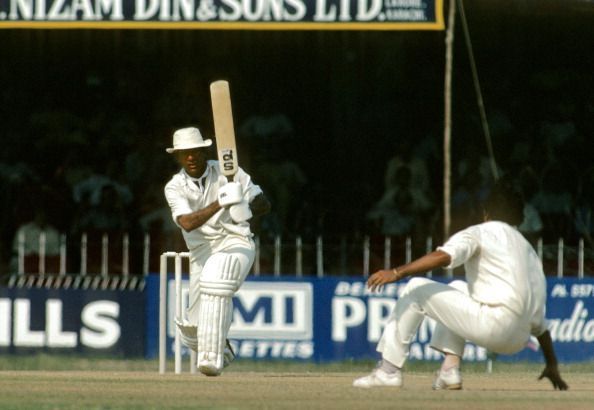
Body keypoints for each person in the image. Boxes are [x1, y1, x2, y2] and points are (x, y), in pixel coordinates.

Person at [353, 179, 568, 391]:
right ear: (519, 218)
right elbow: (541, 325)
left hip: (493, 326)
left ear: (485, 213)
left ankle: (388, 371)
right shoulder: (529, 252)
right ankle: (449, 371)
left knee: (415, 287)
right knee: (457, 287)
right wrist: (552, 364)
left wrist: (397, 272)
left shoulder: (480, 232)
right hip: (519, 339)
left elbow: (444, 256)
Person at [164, 126, 270, 376]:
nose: (190, 157)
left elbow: (264, 203)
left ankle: (212, 360)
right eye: (184, 153)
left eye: (195, 152)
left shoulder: (228, 171)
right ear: (177, 157)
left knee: (217, 275)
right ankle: (222, 348)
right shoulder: (174, 186)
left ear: (203, 152)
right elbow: (187, 223)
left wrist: (245, 207)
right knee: (193, 331)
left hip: (236, 241)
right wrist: (221, 202)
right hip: (201, 251)